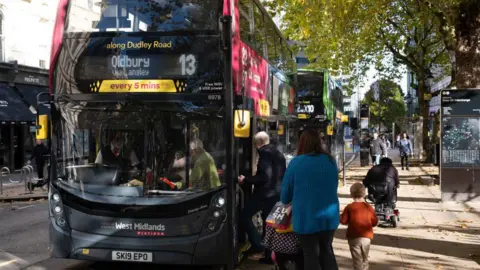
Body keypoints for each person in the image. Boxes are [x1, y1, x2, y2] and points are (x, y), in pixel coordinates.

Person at [281, 129, 340, 270]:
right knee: (327, 251)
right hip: (329, 217)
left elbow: (285, 196)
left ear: (302, 143)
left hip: (305, 217)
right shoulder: (330, 161)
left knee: (310, 254)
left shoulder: (296, 163)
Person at [238, 131, 286, 264]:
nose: (254, 147)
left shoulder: (264, 153)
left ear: (258, 143)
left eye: (254, 144)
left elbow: (264, 177)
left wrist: (246, 179)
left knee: (244, 216)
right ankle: (269, 256)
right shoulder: (278, 153)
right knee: (269, 225)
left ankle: (257, 244)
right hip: (277, 194)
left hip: (264, 194)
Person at [340, 182, 378, 270]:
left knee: (357, 260)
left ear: (351, 195)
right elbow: (374, 222)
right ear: (364, 194)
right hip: (366, 237)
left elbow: (343, 220)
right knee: (365, 259)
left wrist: (340, 216)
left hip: (353, 237)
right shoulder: (368, 207)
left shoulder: (349, 207)